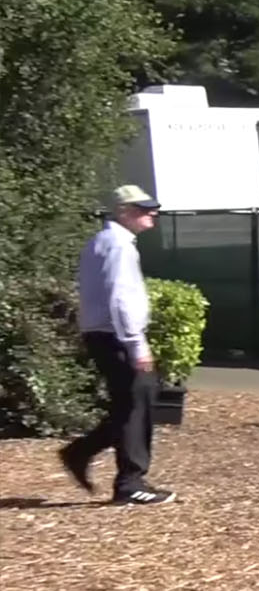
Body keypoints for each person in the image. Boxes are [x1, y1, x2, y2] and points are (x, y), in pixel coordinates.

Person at [58, 185, 176, 505]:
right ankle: (129, 483)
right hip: (116, 337)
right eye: (143, 209)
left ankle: (81, 453)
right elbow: (120, 298)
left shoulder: (102, 241)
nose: (152, 213)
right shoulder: (119, 245)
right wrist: (137, 344)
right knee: (137, 405)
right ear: (124, 212)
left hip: (105, 335)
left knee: (133, 404)